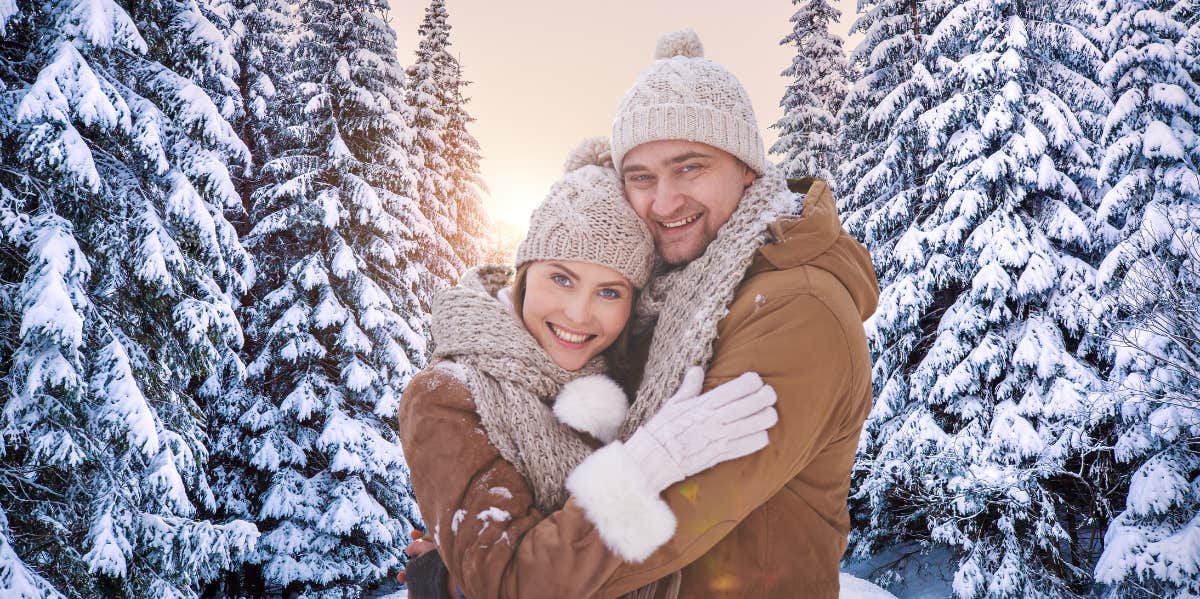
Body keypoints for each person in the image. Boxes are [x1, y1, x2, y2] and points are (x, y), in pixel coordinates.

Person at [397, 138, 781, 599]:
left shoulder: (623, 378)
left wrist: (447, 572)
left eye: (610, 292)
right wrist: (646, 464)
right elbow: (508, 583)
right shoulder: (447, 394)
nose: (579, 314)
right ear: (524, 271)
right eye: (561, 278)